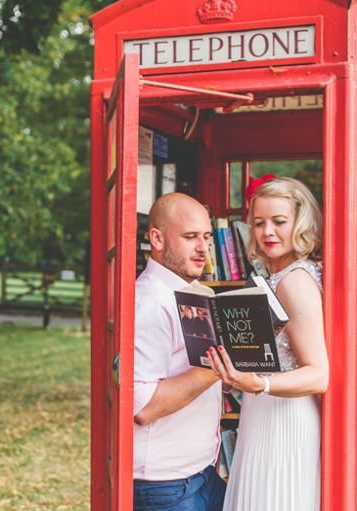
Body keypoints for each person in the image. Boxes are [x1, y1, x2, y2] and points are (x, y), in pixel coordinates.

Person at [207, 176, 328, 511]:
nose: (267, 232)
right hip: (264, 412)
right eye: (259, 223)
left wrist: (258, 383)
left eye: (279, 222)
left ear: (300, 223)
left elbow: (319, 375)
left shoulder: (295, 282)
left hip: (285, 420)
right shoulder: (275, 276)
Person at [133, 193, 226, 511]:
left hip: (202, 473)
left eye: (206, 236)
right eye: (190, 237)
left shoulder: (191, 292)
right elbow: (142, 406)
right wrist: (219, 365)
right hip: (166, 486)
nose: (203, 249)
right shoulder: (149, 303)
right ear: (156, 238)